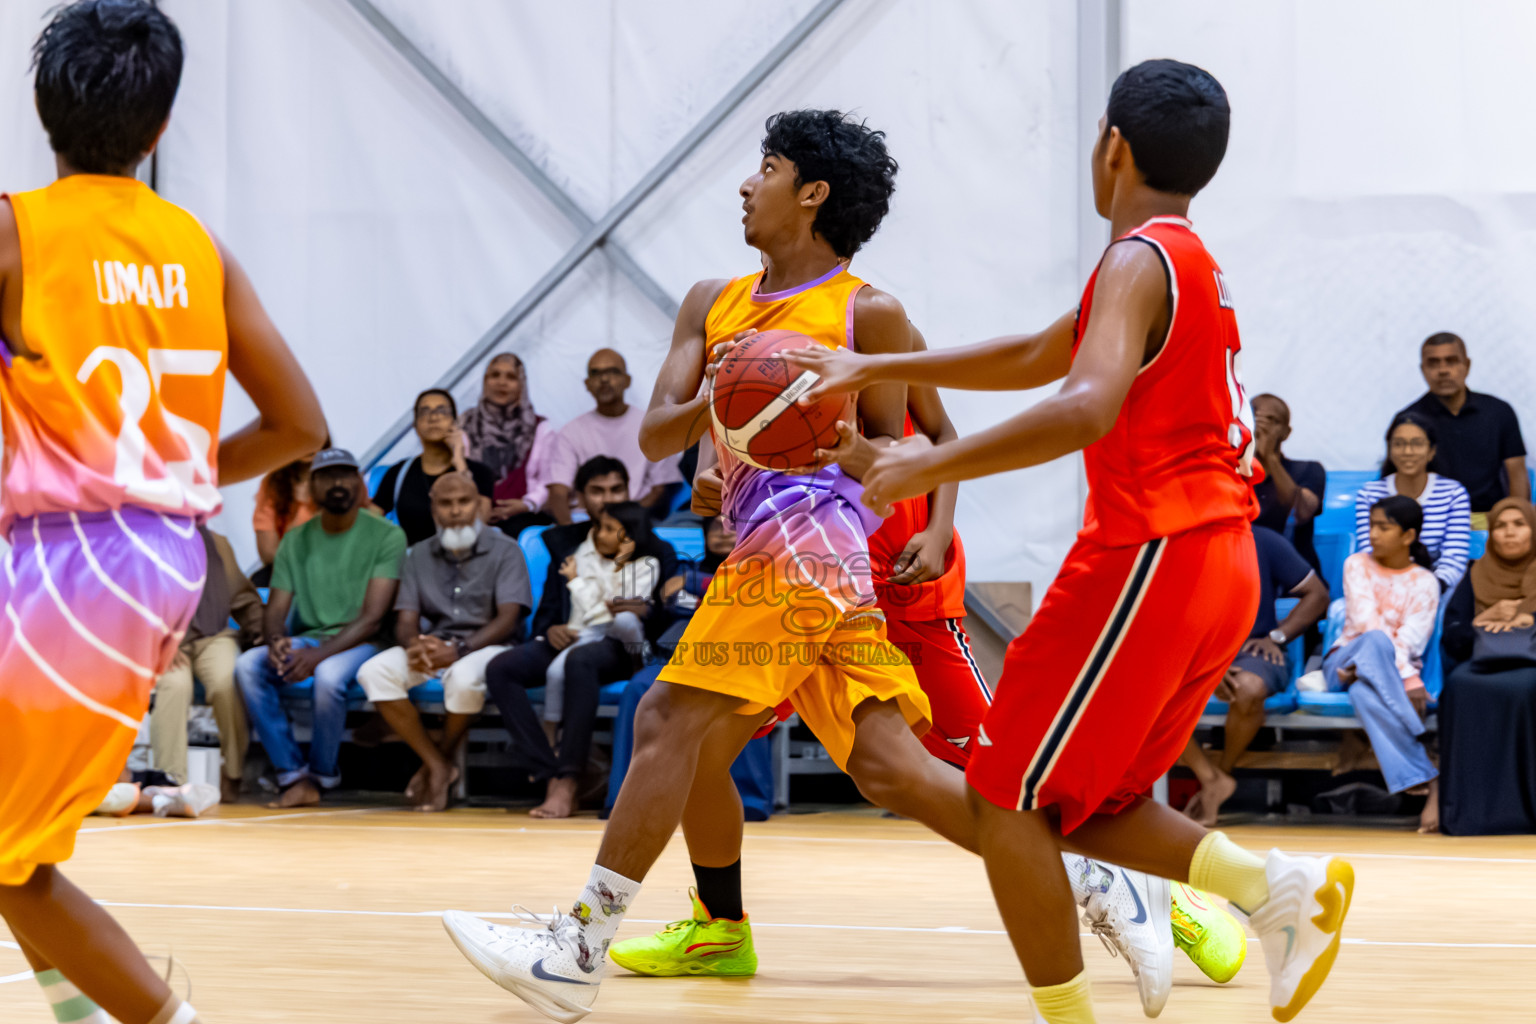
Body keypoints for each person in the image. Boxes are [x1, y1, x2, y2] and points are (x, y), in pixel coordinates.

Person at [441, 106, 1222, 1023]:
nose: (745, 182)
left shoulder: (868, 312)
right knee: (894, 773)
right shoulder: (711, 301)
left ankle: (575, 951)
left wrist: (881, 483)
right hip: (773, 551)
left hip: (811, 541)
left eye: (764, 167)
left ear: (810, 194)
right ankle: (1101, 882)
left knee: (666, 717)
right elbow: (657, 431)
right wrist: (735, 398)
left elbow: (892, 451)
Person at [779, 62, 1356, 1023]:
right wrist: (878, 360)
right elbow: (1043, 353)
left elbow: (1083, 405)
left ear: (1112, 147)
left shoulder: (1136, 260)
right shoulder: (1182, 259)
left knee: (1003, 796)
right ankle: (1271, 892)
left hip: (1155, 553)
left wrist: (918, 467)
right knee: (1092, 803)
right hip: (1222, 563)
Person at [610, 346, 1250, 998]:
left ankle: (1157, 893)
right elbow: (713, 454)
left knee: (1009, 779)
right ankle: (719, 928)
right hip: (800, 591)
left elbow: (945, 434)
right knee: (690, 743)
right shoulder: (745, 344)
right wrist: (709, 480)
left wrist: (940, 530)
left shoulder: (869, 329)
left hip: (908, 595)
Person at [0, 4, 326, 1023]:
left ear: (44, 108)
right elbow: (299, 425)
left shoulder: (17, 229)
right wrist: (170, 479)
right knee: (22, 835)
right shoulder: (197, 247)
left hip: (66, 566)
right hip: (157, 553)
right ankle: (79, 1007)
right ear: (161, 126)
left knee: (9, 857)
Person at [480, 457, 675, 820]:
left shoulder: (653, 545)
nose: (606, 499)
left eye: (616, 489)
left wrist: (637, 612)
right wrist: (547, 630)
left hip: (618, 645)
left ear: (629, 491)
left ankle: (567, 782)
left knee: (580, 661)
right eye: (597, 492)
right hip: (570, 634)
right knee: (501, 668)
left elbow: (660, 611)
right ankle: (547, 767)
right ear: (580, 498)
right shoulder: (563, 543)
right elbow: (552, 605)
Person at [235, 449, 407, 809]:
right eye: (328, 476)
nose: (338, 484)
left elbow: (374, 618)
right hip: (312, 637)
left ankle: (322, 774)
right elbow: (276, 607)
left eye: (346, 475)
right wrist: (276, 641)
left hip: (366, 641)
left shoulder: (388, 536)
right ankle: (291, 774)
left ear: (360, 484)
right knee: (249, 665)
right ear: (312, 487)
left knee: (328, 676)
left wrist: (317, 656)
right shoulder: (296, 540)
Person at [355, 472, 531, 812]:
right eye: (446, 503)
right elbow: (405, 620)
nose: (455, 511)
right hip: (434, 646)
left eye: (464, 502)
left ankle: (439, 761)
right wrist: (414, 646)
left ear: (479, 506)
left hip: (487, 647)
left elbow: (508, 619)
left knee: (464, 678)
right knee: (374, 671)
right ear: (433, 509)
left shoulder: (506, 550)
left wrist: (459, 650)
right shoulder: (418, 554)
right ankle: (437, 764)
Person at [1181, 526, 1329, 826]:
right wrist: (1208, 665)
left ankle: (1219, 777)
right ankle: (1211, 780)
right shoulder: (1180, 544)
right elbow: (1169, 615)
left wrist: (1278, 635)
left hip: (1254, 651)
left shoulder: (1262, 539)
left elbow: (1318, 594)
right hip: (1195, 655)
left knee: (1248, 687)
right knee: (1144, 699)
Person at [1326, 496, 1441, 833]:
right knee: (1374, 642)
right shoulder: (1356, 564)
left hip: (1366, 677)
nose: (1373, 534)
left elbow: (1412, 639)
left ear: (1408, 535)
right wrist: (1406, 678)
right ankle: (1414, 729)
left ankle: (1417, 773)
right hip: (1343, 663)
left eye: (1383, 527)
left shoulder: (1425, 582)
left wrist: (1390, 671)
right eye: (1372, 525)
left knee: (1363, 693)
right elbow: (1366, 624)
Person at [1438, 497, 1536, 835]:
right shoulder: (1475, 573)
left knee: (1527, 687)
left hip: (1531, 667)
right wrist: (1483, 619)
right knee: (1459, 685)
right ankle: (1471, 813)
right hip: (1480, 664)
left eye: (1518, 525)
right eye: (1500, 527)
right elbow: (1452, 634)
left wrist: (1528, 618)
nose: (1509, 534)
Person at [149, 527, 264, 804]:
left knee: (226, 679)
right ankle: (171, 782)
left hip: (212, 635)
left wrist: (257, 628)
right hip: (162, 640)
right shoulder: (145, 541)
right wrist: (159, 639)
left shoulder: (217, 542)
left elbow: (243, 597)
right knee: (175, 686)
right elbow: (129, 601)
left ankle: (234, 772)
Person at [542, 501, 660, 727]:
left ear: (629, 534)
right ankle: (549, 731)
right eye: (599, 527)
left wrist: (576, 581)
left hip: (623, 636)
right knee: (555, 672)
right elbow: (600, 608)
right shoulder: (592, 559)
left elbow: (621, 606)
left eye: (608, 529)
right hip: (594, 627)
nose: (599, 535)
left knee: (625, 619)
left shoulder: (647, 564)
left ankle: (638, 662)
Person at [1397, 331, 1528, 522]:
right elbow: (1403, 482)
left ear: (1466, 365)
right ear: (1422, 369)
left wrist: (1517, 521)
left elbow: (1516, 473)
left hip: (1492, 520)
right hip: (1433, 522)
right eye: (1433, 363)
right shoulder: (1409, 421)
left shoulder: (1499, 412)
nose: (1443, 370)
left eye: (1451, 361)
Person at [543, 349, 682, 524]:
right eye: (596, 373)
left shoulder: (652, 427)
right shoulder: (570, 432)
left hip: (636, 521)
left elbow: (659, 490)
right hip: (585, 522)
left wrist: (625, 520)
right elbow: (558, 491)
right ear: (587, 384)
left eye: (613, 371)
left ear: (627, 381)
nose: (604, 379)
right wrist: (569, 532)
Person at [1355, 411, 1471, 592]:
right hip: (1382, 585)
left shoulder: (1453, 493)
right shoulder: (1369, 494)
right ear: (1390, 450)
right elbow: (1369, 549)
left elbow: (1454, 559)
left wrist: (1428, 588)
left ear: (1431, 451)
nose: (1407, 452)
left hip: (1436, 587)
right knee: (1340, 610)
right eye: (1399, 444)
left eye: (1416, 444)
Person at [376, 388, 497, 545]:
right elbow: (369, 521)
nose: (433, 418)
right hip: (414, 564)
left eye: (442, 411)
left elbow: (480, 520)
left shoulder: (479, 472)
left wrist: (460, 464)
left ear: (455, 422)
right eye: (425, 412)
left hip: (464, 564)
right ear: (415, 425)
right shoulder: (398, 473)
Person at [459, 352, 556, 538]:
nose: (501, 382)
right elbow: (457, 471)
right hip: (472, 512)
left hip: (522, 515)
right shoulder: (466, 423)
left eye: (511, 377)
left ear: (522, 385)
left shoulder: (539, 428)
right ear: (485, 381)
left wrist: (527, 504)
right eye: (494, 375)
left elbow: (548, 480)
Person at [1250, 393, 1326, 571]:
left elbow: (1302, 512)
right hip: (1249, 570)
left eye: (1271, 420)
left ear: (1286, 432)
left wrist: (1269, 457)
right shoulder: (1233, 472)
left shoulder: (1309, 469)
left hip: (1296, 576)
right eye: (1255, 418)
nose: (1262, 426)